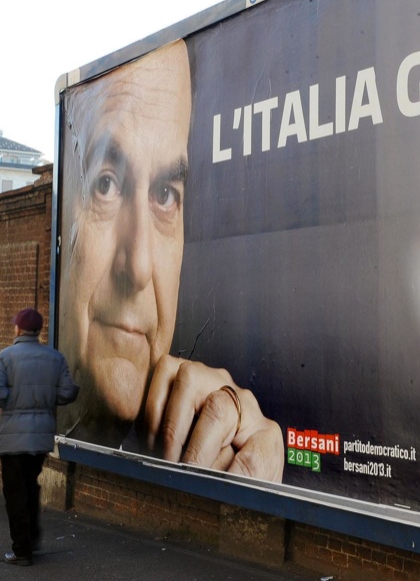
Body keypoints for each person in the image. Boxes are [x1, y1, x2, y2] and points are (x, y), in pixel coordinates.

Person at [56, 40, 284, 482]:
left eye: (165, 195)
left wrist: (256, 487)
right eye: (106, 185)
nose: (138, 267)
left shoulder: (216, 433)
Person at [0, 307, 79, 567]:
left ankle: (22, 550)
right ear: (38, 331)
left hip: (13, 438)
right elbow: (67, 393)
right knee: (29, 484)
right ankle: (33, 536)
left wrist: (12, 398)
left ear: (17, 329)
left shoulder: (5, 358)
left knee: (15, 492)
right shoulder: (54, 358)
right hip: (40, 438)